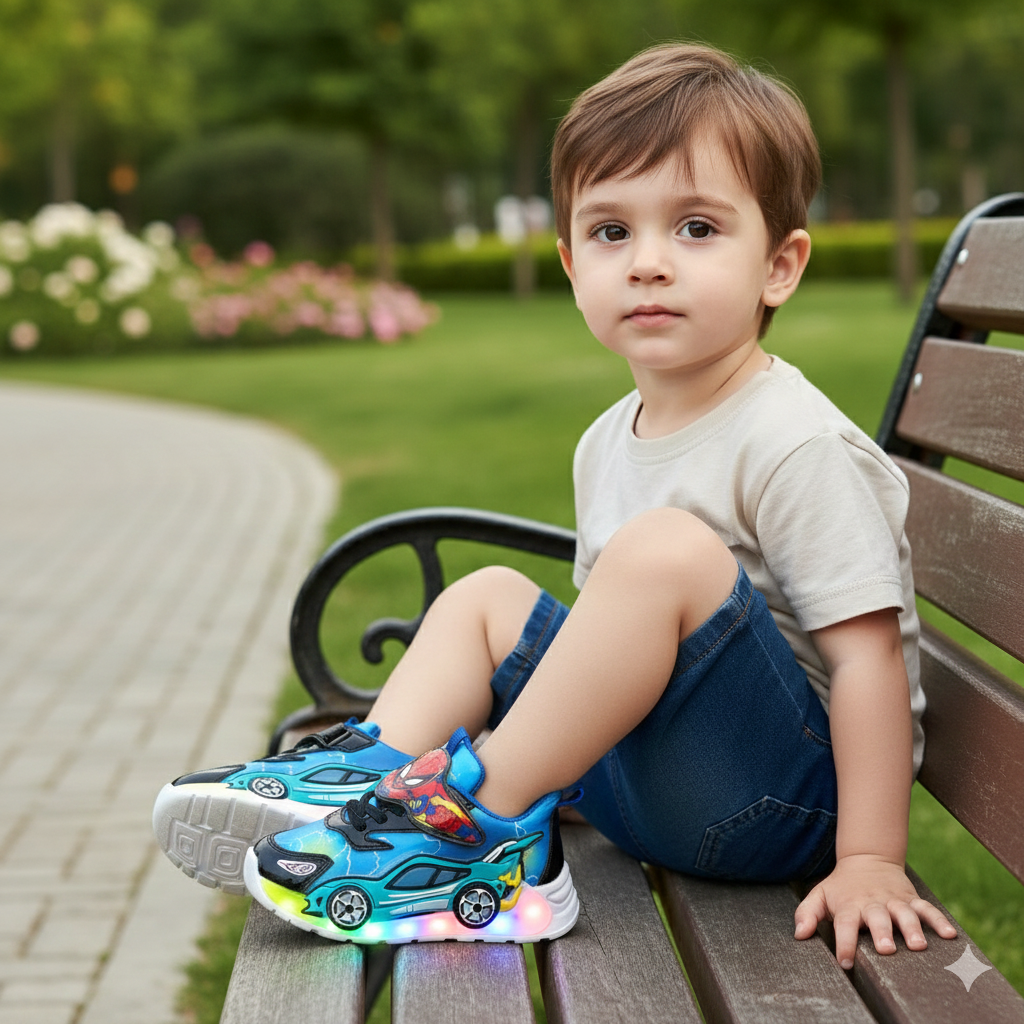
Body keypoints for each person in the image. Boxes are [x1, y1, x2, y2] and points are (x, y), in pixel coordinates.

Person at [154, 42, 957, 963]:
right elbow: (604, 657)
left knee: (663, 550)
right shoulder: (607, 438)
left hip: (779, 805)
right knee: (489, 593)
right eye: (613, 233)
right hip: (649, 785)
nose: (649, 262)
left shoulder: (796, 443)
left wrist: (867, 857)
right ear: (574, 267)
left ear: (779, 265)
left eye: (696, 228)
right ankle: (361, 781)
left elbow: (867, 667)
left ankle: (473, 842)